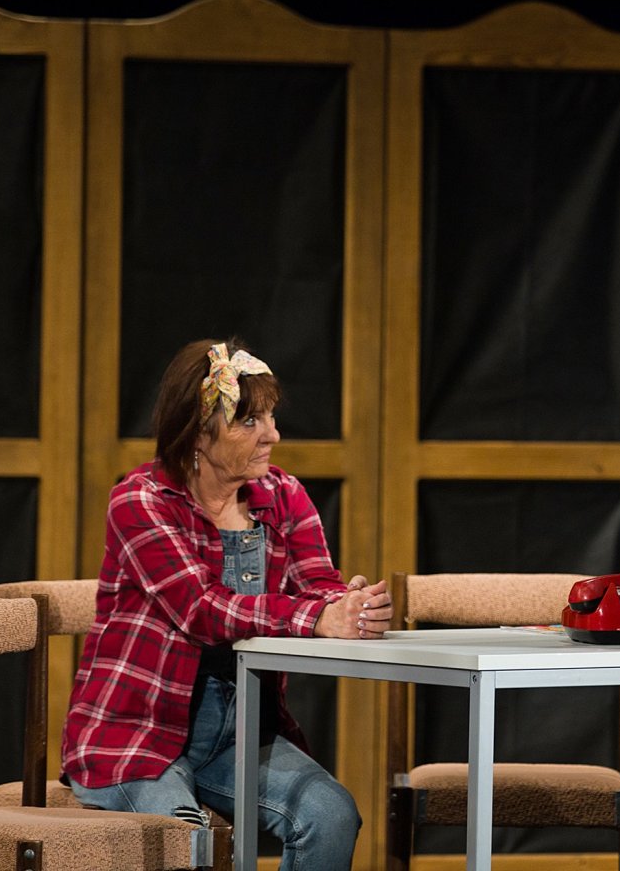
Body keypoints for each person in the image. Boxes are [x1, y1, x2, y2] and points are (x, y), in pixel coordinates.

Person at [62, 338, 392, 871]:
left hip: (238, 737)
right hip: (136, 736)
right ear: (198, 431)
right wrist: (319, 617)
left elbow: (316, 582)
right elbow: (201, 609)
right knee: (187, 842)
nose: (273, 434)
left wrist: (349, 604)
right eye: (249, 421)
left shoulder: (282, 494)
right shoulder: (141, 500)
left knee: (330, 815)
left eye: (271, 416)